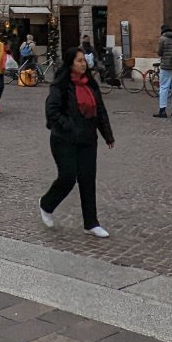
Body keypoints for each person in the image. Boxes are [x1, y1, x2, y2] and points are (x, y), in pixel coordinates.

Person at [40, 46, 115, 237]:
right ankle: (47, 204)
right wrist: (70, 126)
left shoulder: (91, 84)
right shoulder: (61, 84)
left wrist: (107, 135)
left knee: (88, 180)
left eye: (84, 60)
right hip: (64, 139)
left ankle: (91, 223)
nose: (84, 63)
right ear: (71, 63)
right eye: (79, 60)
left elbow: (100, 110)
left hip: (88, 139)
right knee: (68, 176)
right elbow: (52, 111)